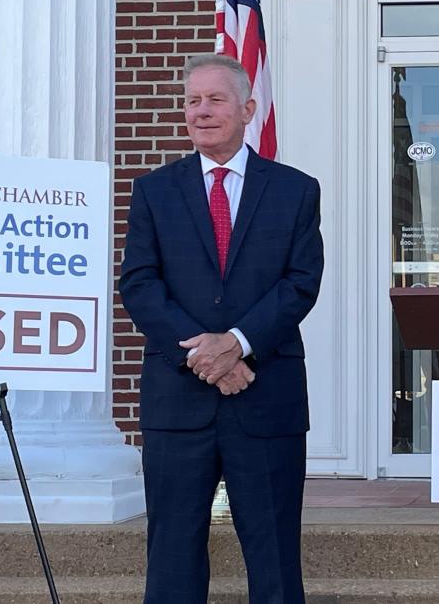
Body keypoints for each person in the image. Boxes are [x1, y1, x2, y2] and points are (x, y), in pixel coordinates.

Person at [118, 53, 323, 604]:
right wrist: (204, 357)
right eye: (192, 100)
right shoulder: (154, 192)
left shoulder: (294, 191)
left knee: (274, 556)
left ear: (248, 109)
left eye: (215, 99)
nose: (201, 111)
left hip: (266, 397)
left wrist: (235, 345)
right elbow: (139, 284)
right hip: (178, 403)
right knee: (172, 559)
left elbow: (300, 283)